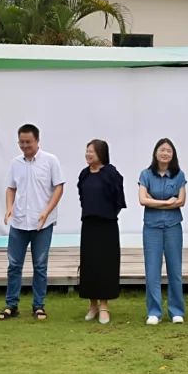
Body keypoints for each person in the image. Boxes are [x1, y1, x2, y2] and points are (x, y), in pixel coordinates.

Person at [0, 124, 64, 322]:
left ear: (37, 141)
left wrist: (46, 212)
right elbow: (11, 188)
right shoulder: (15, 163)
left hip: (41, 223)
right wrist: (9, 207)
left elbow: (59, 188)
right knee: (14, 264)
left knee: (40, 265)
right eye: (21, 142)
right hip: (19, 222)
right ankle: (11, 304)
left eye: (28, 142)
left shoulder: (50, 161)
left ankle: (39, 305)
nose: (25, 146)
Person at [139, 138, 187, 325]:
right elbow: (143, 200)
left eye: (169, 150)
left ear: (173, 154)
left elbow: (181, 201)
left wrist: (155, 202)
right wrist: (167, 202)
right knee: (152, 269)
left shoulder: (179, 175)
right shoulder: (146, 174)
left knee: (175, 269)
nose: (165, 153)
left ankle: (176, 311)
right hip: (151, 227)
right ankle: (154, 311)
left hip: (173, 226)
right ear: (156, 153)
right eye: (162, 150)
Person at [78, 139, 126, 325]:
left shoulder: (111, 174)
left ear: (101, 153)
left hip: (107, 225)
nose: (88, 154)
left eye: (92, 151)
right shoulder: (84, 174)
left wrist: (107, 214)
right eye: (87, 151)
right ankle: (92, 305)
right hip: (88, 225)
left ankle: (104, 306)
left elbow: (118, 200)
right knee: (89, 264)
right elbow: (82, 197)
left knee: (106, 264)